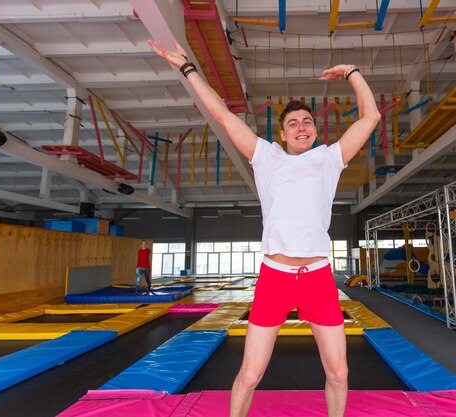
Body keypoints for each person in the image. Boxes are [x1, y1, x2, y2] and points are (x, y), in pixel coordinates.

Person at [149, 39, 379, 417]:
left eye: (307, 122)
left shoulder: (330, 158)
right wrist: (187, 68)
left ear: (315, 131)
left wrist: (352, 72)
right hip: (274, 278)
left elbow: (370, 118)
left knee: (339, 374)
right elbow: (222, 115)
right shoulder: (266, 156)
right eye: (293, 123)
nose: (302, 127)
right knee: (250, 374)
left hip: (318, 277)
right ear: (283, 135)